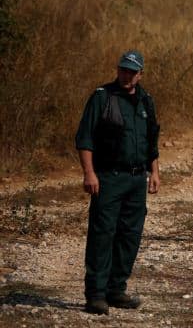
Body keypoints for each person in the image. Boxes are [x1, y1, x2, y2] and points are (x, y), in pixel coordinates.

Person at [75, 50, 161, 315]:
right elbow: (85, 137)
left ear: (140, 74)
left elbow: (151, 142)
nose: (126, 75)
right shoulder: (103, 97)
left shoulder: (146, 100)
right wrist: (89, 173)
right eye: (123, 70)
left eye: (132, 72)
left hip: (137, 180)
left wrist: (154, 172)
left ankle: (116, 290)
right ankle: (96, 294)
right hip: (108, 178)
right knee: (102, 236)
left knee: (130, 236)